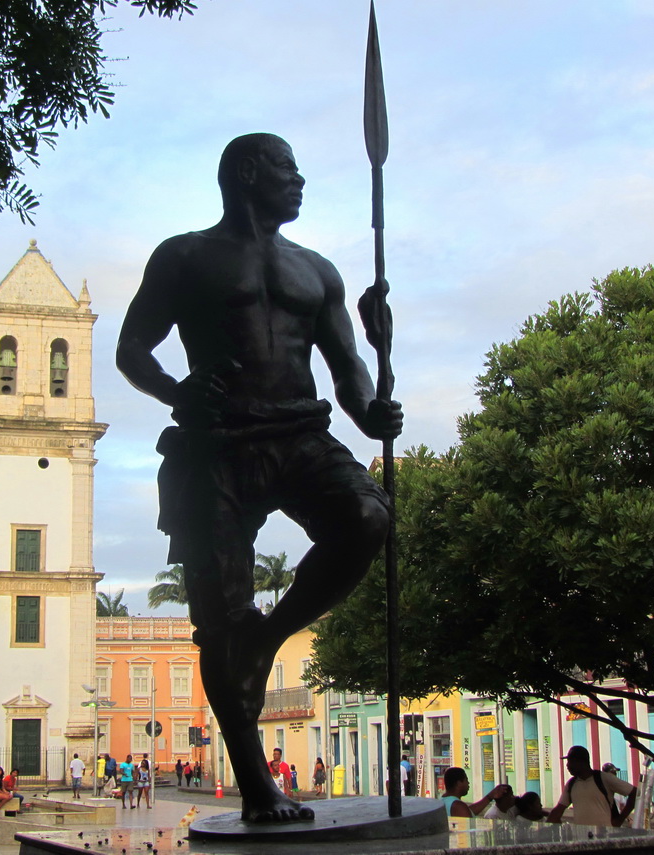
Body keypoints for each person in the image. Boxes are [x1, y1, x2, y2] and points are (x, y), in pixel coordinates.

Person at [117, 132, 402, 824]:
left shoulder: (318, 271)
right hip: (216, 447)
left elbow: (352, 383)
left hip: (301, 433)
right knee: (220, 621)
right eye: (288, 170)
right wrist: (177, 392)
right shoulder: (185, 256)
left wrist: (376, 382)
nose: (300, 182)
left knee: (369, 518)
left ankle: (269, 635)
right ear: (249, 173)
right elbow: (132, 350)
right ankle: (255, 786)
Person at [547, 745, 636, 827]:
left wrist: (619, 820)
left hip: (604, 836)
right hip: (582, 839)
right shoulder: (571, 784)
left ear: (581, 762)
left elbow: (634, 793)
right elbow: (559, 809)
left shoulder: (604, 779)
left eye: (570, 762)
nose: (567, 765)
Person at [440, 767, 508, 818]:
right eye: (466, 780)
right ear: (459, 783)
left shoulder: (444, 801)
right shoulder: (458, 806)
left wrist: (490, 796)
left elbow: (470, 811)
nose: (468, 783)